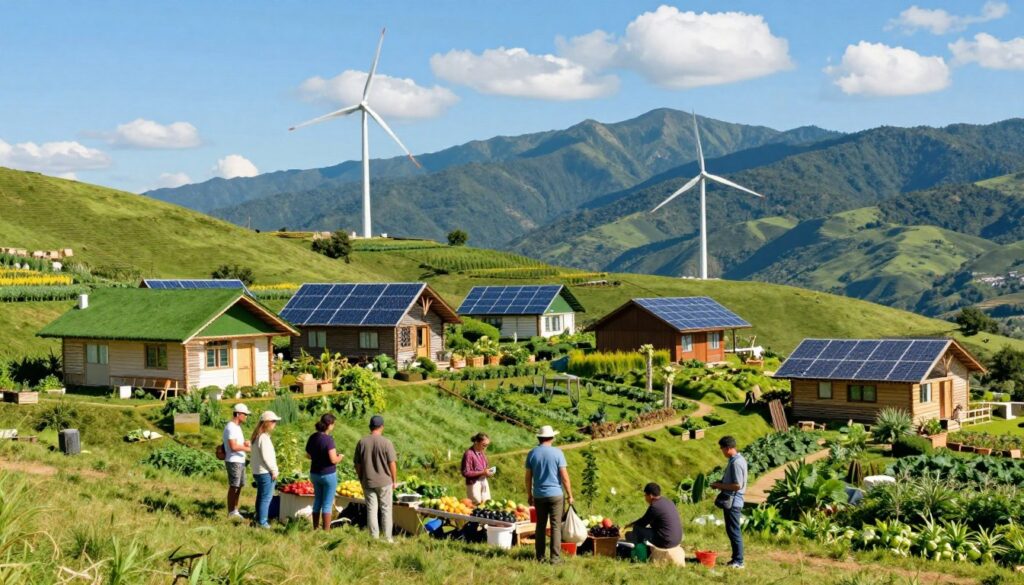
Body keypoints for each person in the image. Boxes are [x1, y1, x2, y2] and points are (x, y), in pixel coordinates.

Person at [524, 425, 574, 563]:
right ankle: (555, 558)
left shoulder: (532, 453)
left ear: (539, 438)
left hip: (539, 495)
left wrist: (529, 495)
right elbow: (564, 477)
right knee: (555, 526)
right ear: (552, 438)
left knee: (540, 526)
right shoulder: (558, 453)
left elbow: (528, 478)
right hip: (556, 495)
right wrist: (570, 494)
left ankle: (540, 557)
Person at [355, 414, 397, 542]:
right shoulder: (386, 442)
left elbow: (357, 464)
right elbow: (392, 463)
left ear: (370, 427)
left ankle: (374, 537)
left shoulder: (362, 442)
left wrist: (361, 478)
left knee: (371, 509)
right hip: (384, 482)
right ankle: (388, 538)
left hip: (368, 481)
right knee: (386, 509)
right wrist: (394, 481)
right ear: (382, 427)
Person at [711, 435, 748, 569]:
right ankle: (735, 559)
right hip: (733, 502)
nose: (721, 451)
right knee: (732, 530)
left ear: (727, 448)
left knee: (734, 531)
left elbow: (737, 485)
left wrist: (719, 485)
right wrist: (720, 483)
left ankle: (739, 561)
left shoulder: (736, 463)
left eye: (721, 448)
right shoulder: (737, 459)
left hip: (734, 502)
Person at [305, 413, 344, 531]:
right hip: (328, 474)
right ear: (329, 425)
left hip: (314, 474)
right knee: (327, 503)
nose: (334, 426)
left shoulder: (313, 437)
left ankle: (315, 527)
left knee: (317, 500)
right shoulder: (328, 439)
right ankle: (326, 531)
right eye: (333, 424)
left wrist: (318, 457)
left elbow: (308, 455)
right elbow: (333, 459)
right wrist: (340, 457)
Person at [625, 482, 682, 549]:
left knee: (637, 528)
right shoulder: (668, 501)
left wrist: (630, 525)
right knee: (636, 531)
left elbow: (642, 523)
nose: (645, 497)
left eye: (645, 495)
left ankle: (638, 550)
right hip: (677, 539)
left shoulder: (655, 506)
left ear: (650, 495)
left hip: (666, 541)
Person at [250, 410, 282, 528]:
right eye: (273, 421)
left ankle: (258, 518)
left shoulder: (257, 436)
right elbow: (267, 457)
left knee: (261, 496)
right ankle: (262, 522)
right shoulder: (263, 437)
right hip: (265, 472)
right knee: (266, 498)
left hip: (258, 471)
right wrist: (273, 470)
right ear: (267, 422)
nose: (275, 424)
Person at [223, 403, 252, 521]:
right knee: (234, 486)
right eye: (245, 414)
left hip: (240, 460)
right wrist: (249, 449)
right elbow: (233, 446)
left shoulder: (237, 427)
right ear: (238, 414)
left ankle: (235, 509)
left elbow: (237, 444)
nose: (246, 416)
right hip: (234, 460)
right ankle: (231, 511)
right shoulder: (231, 427)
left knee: (239, 486)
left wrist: (245, 444)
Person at [461, 432, 494, 504]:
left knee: (487, 504)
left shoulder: (482, 453)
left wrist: (488, 473)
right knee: (476, 505)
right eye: (484, 445)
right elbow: (465, 472)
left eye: (487, 445)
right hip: (473, 484)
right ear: (476, 442)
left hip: (484, 482)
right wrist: (482, 472)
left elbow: (485, 468)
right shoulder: (469, 454)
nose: (485, 447)